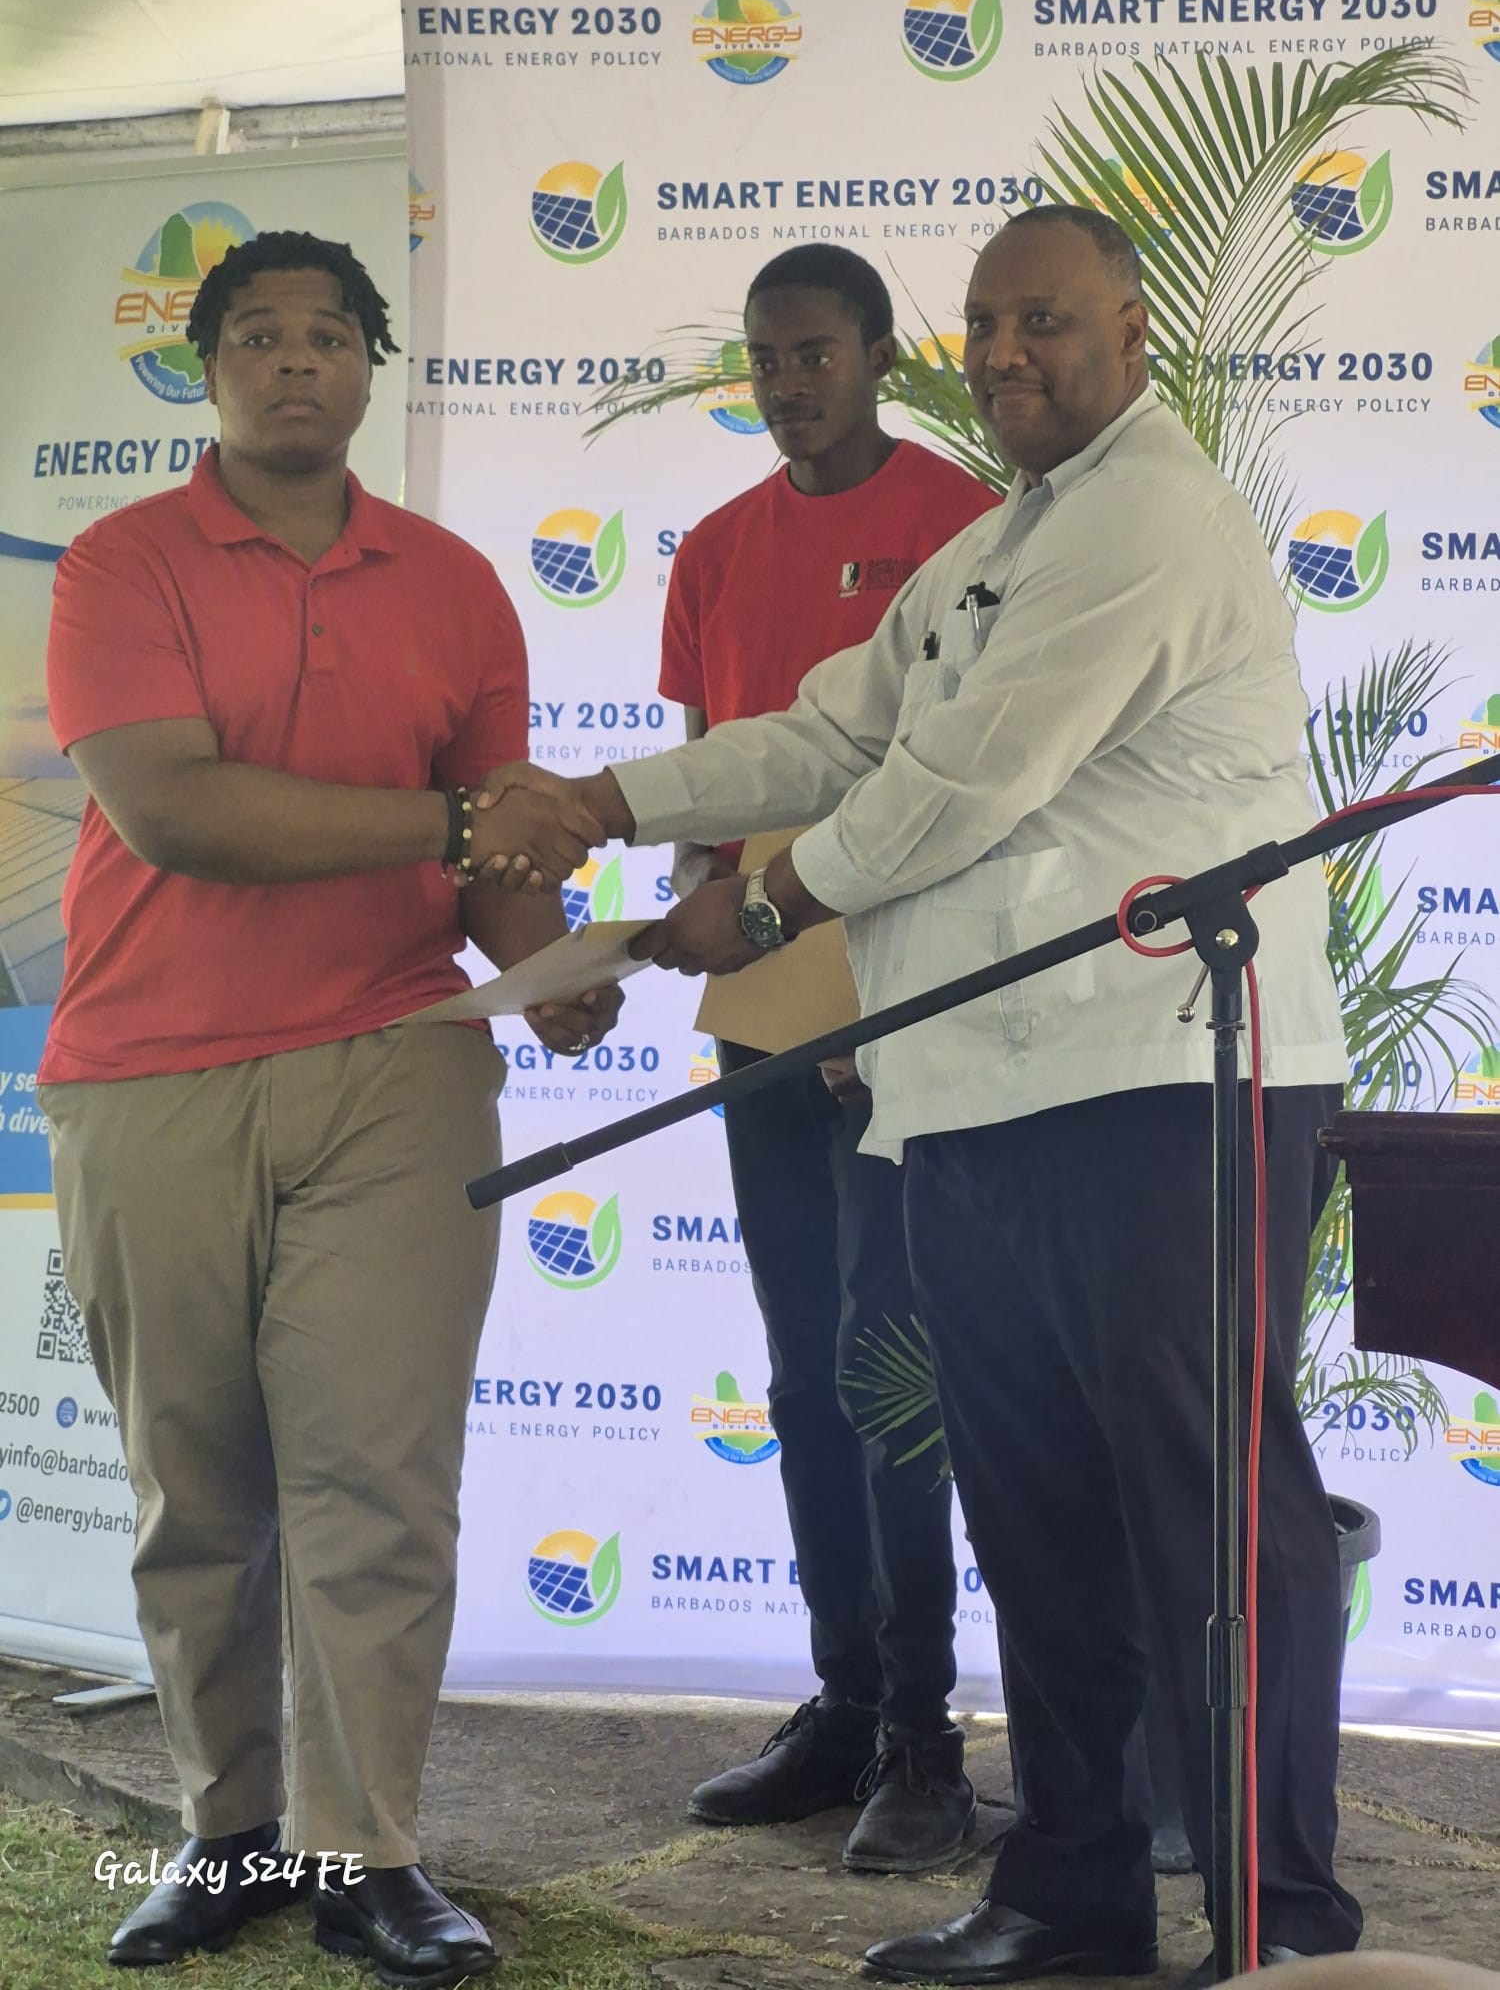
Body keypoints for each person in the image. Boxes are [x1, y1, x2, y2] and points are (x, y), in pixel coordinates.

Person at [501, 205, 1362, 1981]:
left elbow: (963, 780)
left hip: (1161, 1080)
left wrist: (765, 904)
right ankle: (1073, 1893)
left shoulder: (1151, 516)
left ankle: (1283, 1929)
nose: (1009, 353)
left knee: (1206, 1505)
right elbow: (837, 731)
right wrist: (609, 799)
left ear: (1132, 334)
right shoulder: (995, 544)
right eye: (987, 323)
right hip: (968, 1089)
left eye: (1046, 319)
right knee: (1034, 1507)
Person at [39, 230, 615, 1984]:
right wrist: (459, 831)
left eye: (329, 335)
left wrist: (550, 959)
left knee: (381, 1479)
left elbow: (498, 845)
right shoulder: (120, 566)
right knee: (198, 1488)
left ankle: (367, 1852)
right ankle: (228, 1836)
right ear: (208, 369)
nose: (297, 360)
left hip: (397, 1065)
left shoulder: (454, 584)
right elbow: (179, 813)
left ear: (373, 366)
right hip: (151, 1073)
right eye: (259, 335)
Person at [661, 245, 999, 1873]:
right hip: (762, 1005)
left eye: (816, 353)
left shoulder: (963, 522)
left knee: (890, 1370)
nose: (790, 383)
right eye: (767, 358)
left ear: (879, 356)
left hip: (904, 1000)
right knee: (802, 1371)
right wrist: (670, 926)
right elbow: (713, 789)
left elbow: (966, 790)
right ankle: (847, 1706)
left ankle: (929, 1741)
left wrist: (877, 1002)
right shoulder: (715, 549)